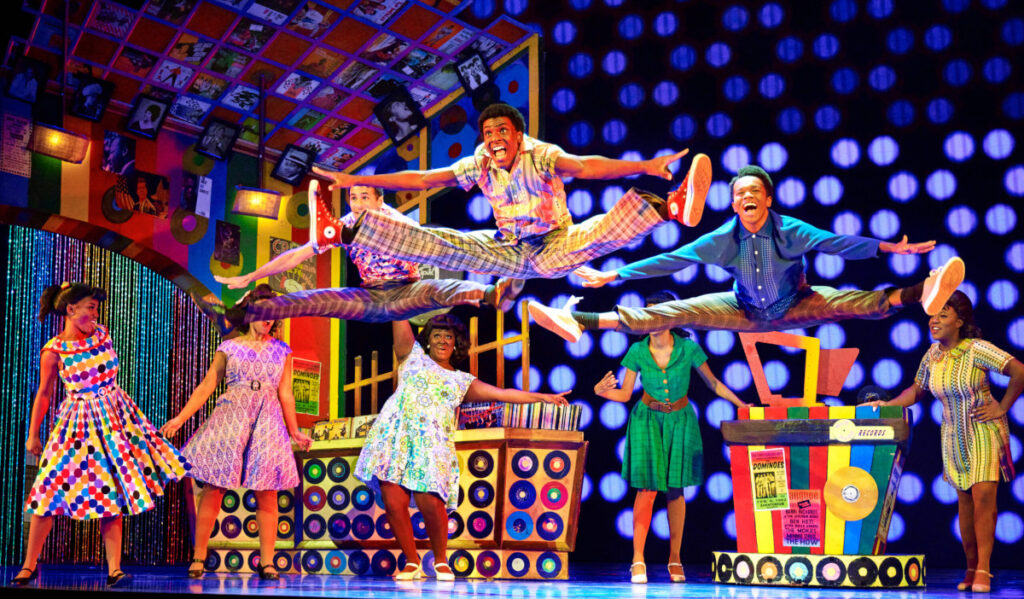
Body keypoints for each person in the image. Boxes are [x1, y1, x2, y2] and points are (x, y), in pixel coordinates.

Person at [528, 164, 965, 341]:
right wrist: (614, 276)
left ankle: (921, 292)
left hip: (795, 304)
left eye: (755, 191)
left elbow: (836, 243)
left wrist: (887, 247)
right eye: (740, 194)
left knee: (854, 303)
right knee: (675, 310)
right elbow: (673, 259)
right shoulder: (722, 238)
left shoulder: (789, 229)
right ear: (734, 204)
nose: (748, 198)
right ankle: (577, 320)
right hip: (742, 309)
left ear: (768, 199)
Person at [309, 102, 712, 280]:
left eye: (502, 131)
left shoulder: (541, 154)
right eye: (488, 133)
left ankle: (669, 207)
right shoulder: (481, 160)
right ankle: (341, 233)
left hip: (553, 243)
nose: (494, 139)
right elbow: (423, 180)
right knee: (444, 243)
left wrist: (645, 166)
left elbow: (587, 167)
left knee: (593, 235)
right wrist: (357, 181)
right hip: (509, 247)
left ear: (518, 135)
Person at [354, 314, 570, 581]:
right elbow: (398, 315)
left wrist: (543, 397)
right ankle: (412, 562)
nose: (443, 341)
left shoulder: (461, 380)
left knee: (430, 502)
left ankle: (441, 560)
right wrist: (400, 291)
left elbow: (501, 394)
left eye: (449, 337)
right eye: (437, 336)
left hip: (431, 445)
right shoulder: (412, 357)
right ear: (428, 341)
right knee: (393, 501)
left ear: (455, 344)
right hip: (393, 438)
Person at [12, 283, 191, 587]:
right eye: (90, 307)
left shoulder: (102, 334)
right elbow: (44, 394)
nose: (95, 313)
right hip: (76, 424)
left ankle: (114, 568)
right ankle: (28, 565)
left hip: (113, 417)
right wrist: (33, 435)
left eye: (96, 308)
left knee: (112, 490)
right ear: (71, 310)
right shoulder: (54, 350)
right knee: (47, 490)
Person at [194, 181, 523, 335]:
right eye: (353, 198)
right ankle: (235, 317)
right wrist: (249, 277)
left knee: (438, 289)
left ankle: (493, 295)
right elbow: (296, 255)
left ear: (380, 200)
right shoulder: (348, 223)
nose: (357, 202)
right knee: (311, 299)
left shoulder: (397, 221)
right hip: (368, 298)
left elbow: (435, 245)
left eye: (365, 197)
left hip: (403, 294)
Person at [865, 291, 1022, 593]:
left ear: (960, 322)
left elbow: (1019, 371)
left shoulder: (977, 349)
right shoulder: (932, 354)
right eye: (933, 315)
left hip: (984, 431)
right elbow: (917, 389)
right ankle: (971, 566)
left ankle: (985, 571)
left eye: (943, 315)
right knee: (964, 503)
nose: (934, 321)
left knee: (983, 501)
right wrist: (890, 405)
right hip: (952, 436)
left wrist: (1002, 407)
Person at [593, 291, 750, 584]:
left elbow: (713, 382)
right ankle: (637, 560)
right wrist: (599, 392)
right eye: (649, 313)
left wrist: (741, 404)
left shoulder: (688, 349)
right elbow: (625, 394)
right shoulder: (638, 351)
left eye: (660, 312)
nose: (654, 319)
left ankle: (674, 559)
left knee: (676, 490)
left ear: (673, 315)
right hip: (646, 420)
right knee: (647, 489)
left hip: (680, 421)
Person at [160, 285, 313, 580]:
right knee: (214, 486)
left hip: (267, 416)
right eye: (263, 311)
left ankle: (267, 561)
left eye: (273, 313)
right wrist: (180, 418)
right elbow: (207, 386)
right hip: (232, 412)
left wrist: (295, 431)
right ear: (251, 312)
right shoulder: (230, 347)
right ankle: (199, 556)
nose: (268, 318)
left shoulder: (282, 350)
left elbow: (286, 393)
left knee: (267, 489)